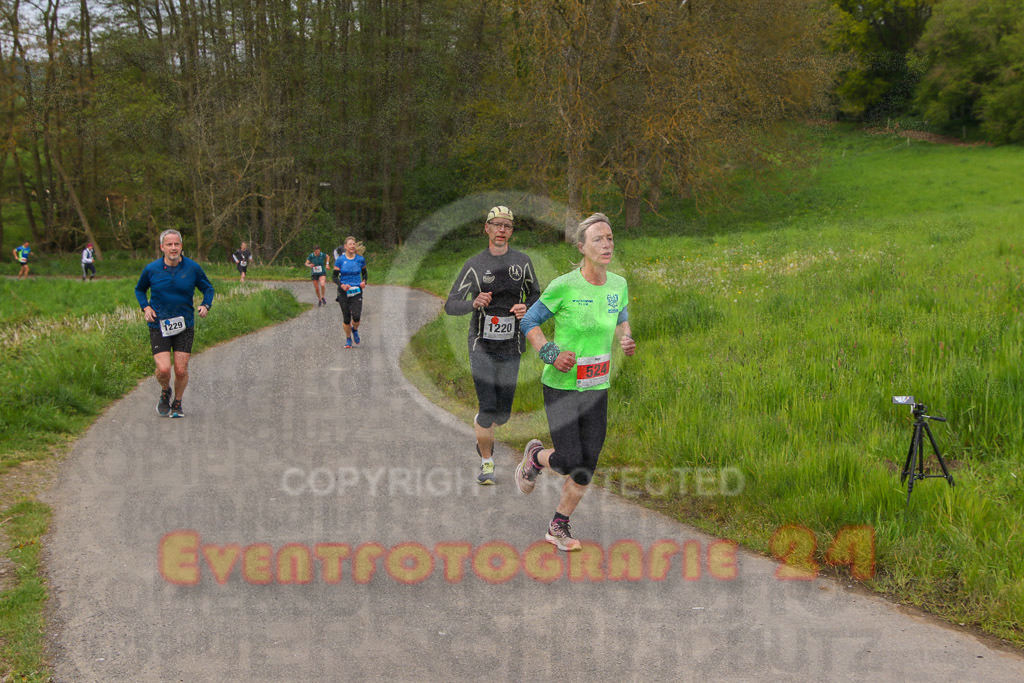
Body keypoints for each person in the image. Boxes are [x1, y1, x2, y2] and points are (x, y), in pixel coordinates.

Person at [516, 212, 635, 550]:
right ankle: (536, 457)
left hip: (597, 386)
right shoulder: (564, 286)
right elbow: (530, 322)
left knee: (588, 462)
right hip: (562, 385)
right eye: (598, 239)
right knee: (569, 459)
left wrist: (625, 338)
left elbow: (621, 318)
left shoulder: (618, 285)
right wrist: (550, 352)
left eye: (610, 237)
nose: (607, 244)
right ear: (582, 247)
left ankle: (558, 526)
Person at [444, 206, 539, 485]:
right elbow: (451, 304)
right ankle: (487, 463)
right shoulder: (474, 264)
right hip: (481, 345)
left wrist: (527, 307)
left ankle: (482, 428)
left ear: (511, 231)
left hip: (512, 344)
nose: (501, 230)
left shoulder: (522, 262)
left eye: (507, 226)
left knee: (503, 414)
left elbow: (536, 295)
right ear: (486, 228)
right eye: (496, 225)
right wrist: (473, 303)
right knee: (487, 409)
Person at [135, 229, 215, 418]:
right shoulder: (151, 269)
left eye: (176, 244)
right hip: (158, 324)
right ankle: (165, 390)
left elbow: (208, 288)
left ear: (181, 246)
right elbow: (139, 290)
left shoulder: (192, 268)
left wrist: (206, 305)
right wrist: (146, 308)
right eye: (169, 244)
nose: (173, 248)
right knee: (163, 369)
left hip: (184, 325)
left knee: (180, 370)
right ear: (162, 247)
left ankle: (177, 403)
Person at [332, 236, 368, 349]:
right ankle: (348, 339)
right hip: (344, 292)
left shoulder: (360, 259)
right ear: (345, 247)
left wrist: (364, 281)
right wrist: (342, 285)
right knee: (346, 318)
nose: (352, 246)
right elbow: (334, 277)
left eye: (354, 244)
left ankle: (355, 329)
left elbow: (365, 273)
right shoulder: (340, 260)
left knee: (356, 316)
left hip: (357, 291)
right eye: (350, 244)